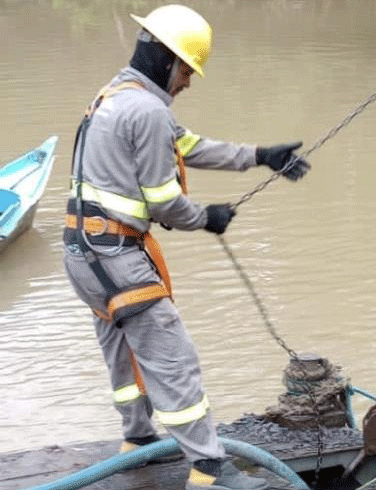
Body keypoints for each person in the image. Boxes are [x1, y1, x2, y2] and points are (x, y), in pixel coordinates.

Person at [62, 4, 309, 490]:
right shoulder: (148, 110)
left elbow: (189, 147)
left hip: (82, 255)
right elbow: (166, 202)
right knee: (173, 359)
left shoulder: (117, 95)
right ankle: (210, 471)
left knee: (123, 353)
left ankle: (136, 442)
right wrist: (207, 219)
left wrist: (260, 157)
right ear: (167, 58)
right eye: (187, 70)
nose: (189, 82)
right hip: (116, 257)